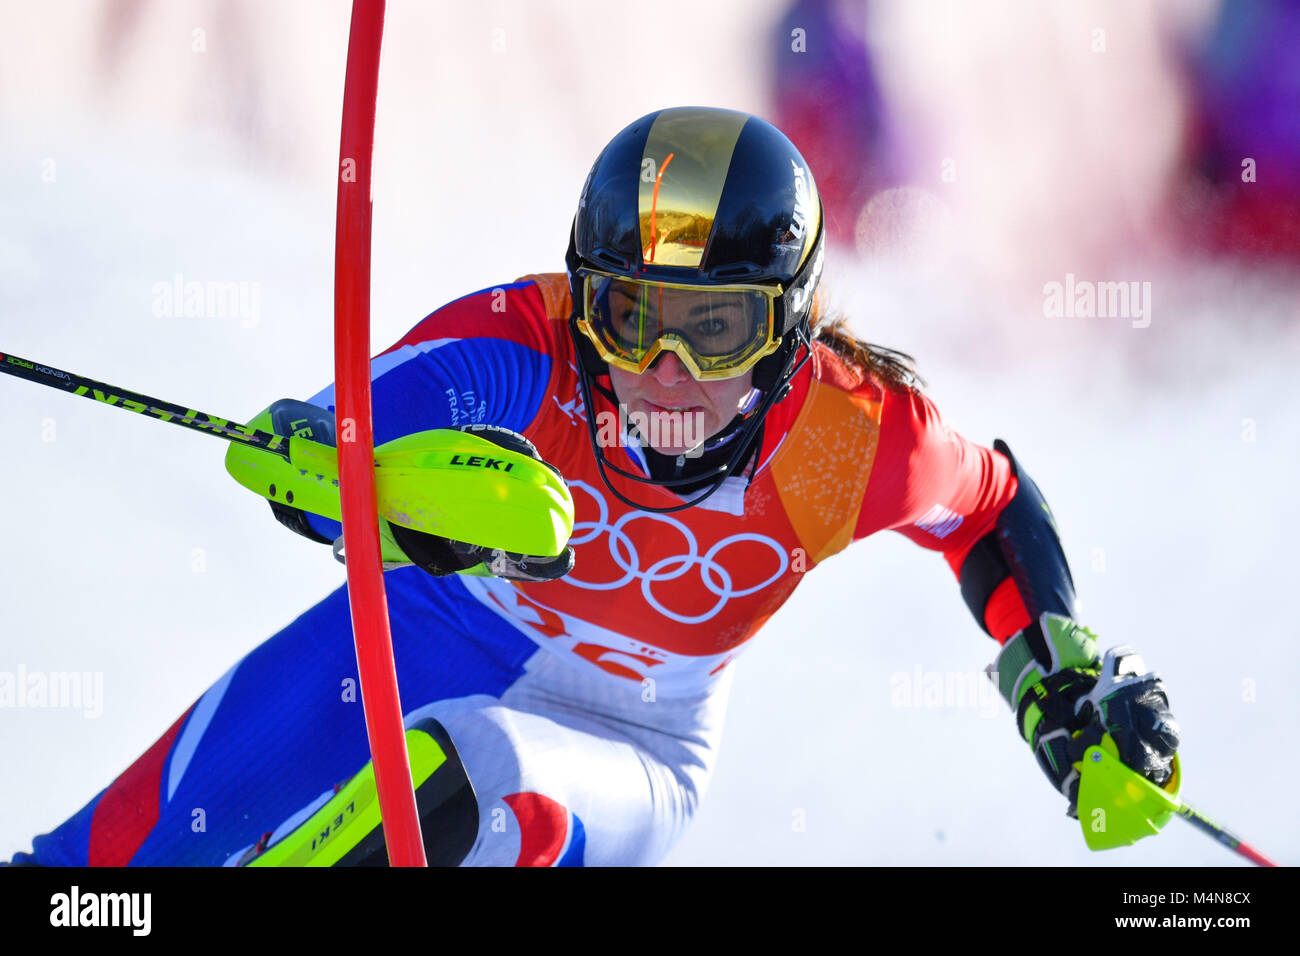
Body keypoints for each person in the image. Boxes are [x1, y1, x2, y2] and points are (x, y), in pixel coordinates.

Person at [9, 106, 1180, 867]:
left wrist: (1064, 671)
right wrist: (363, 480)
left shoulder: (843, 440)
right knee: (94, 877)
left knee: (469, 777)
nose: (663, 371)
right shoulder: (523, 348)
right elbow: (324, 448)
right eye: (630, 316)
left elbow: (985, 507)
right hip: (422, 634)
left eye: (714, 329)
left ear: (784, 336)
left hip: (633, 743)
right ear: (584, 297)